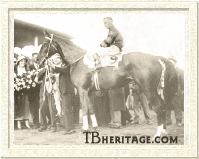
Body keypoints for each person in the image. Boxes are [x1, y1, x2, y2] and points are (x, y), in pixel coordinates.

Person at [48, 58, 76, 134]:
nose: (55, 60)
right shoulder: (58, 68)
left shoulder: (66, 65)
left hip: (66, 90)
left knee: (67, 109)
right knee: (65, 109)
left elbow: (64, 71)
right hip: (61, 91)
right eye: (55, 59)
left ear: (61, 59)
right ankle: (70, 128)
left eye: (57, 58)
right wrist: (52, 75)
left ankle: (69, 129)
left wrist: (54, 67)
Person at [14, 55, 31, 129]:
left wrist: (27, 83)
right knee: (19, 106)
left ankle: (26, 122)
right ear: (18, 62)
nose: (23, 63)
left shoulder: (27, 70)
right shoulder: (15, 70)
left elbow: (29, 79)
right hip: (17, 91)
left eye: (24, 61)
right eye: (21, 61)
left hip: (25, 90)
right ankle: (18, 122)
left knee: (26, 105)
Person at [27, 52, 40, 129]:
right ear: (32, 58)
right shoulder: (30, 67)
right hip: (33, 90)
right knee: (34, 107)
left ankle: (46, 121)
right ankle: (36, 122)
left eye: (37, 57)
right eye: (34, 57)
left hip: (40, 88)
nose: (36, 58)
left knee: (41, 106)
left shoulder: (41, 66)